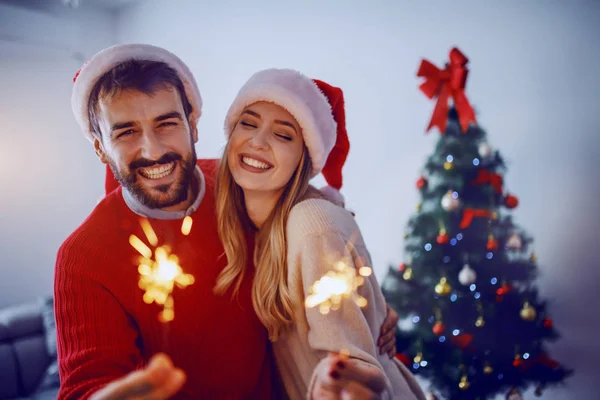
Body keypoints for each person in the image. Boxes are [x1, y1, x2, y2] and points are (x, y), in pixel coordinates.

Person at [56, 44, 399, 400]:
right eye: (125, 132)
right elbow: (87, 383)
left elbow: (312, 214)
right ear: (99, 147)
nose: (153, 150)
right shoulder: (83, 258)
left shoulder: (238, 182)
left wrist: (371, 301)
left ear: (193, 124)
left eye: (167, 123)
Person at [215, 69, 427, 400]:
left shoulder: (312, 225)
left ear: (305, 157)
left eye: (283, 136)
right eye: (248, 123)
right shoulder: (244, 219)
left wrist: (342, 384)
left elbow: (352, 367)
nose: (257, 142)